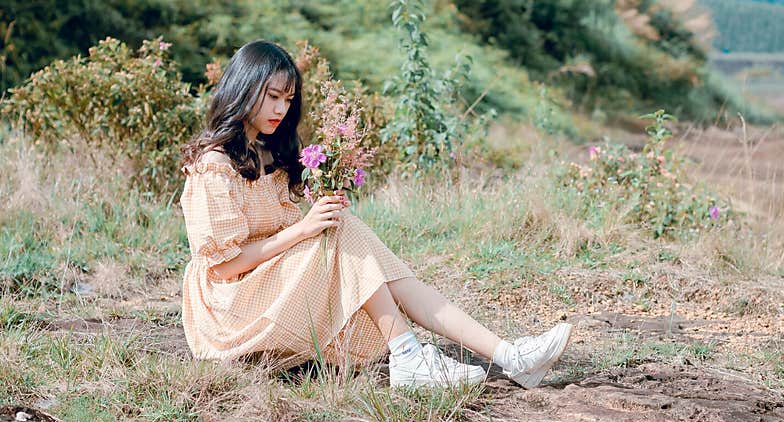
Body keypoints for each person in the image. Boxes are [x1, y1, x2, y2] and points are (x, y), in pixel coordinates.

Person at [179, 39, 572, 389]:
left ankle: (509, 357)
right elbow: (223, 267)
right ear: (244, 89)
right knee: (340, 231)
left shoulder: (271, 154)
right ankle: (410, 357)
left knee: (356, 242)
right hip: (229, 308)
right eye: (273, 96)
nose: (282, 109)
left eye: (288, 99)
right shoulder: (214, 166)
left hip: (269, 284)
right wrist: (304, 230)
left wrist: (314, 220)